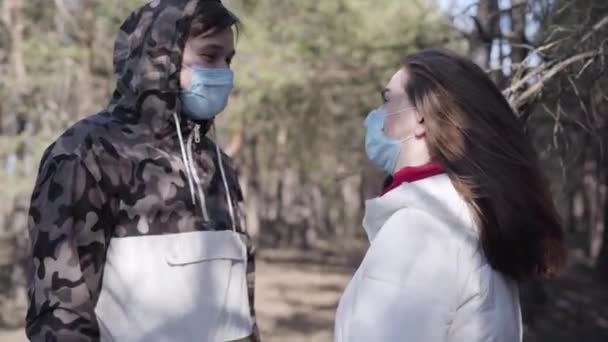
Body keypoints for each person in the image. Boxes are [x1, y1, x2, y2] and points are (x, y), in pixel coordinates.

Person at [25, 0, 260, 341]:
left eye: (229, 60)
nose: (225, 72)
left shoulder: (218, 166)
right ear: (160, 59)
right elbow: (61, 313)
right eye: (210, 57)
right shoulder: (88, 153)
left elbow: (240, 306)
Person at [334, 48, 567, 342]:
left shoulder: (420, 232)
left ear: (420, 118)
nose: (374, 116)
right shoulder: (469, 218)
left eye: (387, 99)